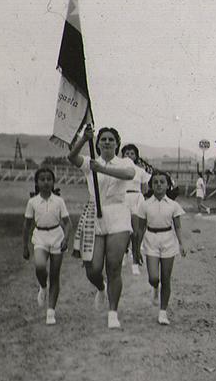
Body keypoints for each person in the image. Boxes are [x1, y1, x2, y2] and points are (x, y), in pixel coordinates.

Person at [67, 125, 135, 329]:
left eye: (110, 139)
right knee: (93, 268)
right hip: (94, 216)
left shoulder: (124, 161)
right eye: (102, 139)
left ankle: (113, 312)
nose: (106, 142)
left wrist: (102, 169)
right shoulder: (89, 163)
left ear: (117, 143)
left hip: (118, 215)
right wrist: (83, 139)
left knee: (113, 266)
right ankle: (101, 287)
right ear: (97, 143)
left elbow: (129, 174)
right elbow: (72, 157)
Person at [22, 168, 72, 325]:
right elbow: (27, 225)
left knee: (55, 275)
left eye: (49, 179)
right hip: (40, 237)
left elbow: (68, 223)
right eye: (42, 179)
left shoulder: (59, 201)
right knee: (40, 267)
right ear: (37, 182)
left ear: (53, 182)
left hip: (57, 237)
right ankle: (43, 287)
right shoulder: (33, 202)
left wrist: (66, 239)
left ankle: (51, 311)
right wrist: (25, 246)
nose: (46, 182)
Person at [136, 171, 187, 325]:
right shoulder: (144, 204)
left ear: (168, 185)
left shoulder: (173, 205)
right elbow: (140, 228)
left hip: (168, 241)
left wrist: (181, 243)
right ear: (151, 185)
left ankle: (163, 312)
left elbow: (177, 226)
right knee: (154, 277)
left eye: (162, 182)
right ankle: (155, 287)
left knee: (166, 278)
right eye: (155, 182)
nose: (159, 185)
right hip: (151, 239)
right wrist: (136, 248)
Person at [121, 144, 152, 276]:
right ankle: (124, 253)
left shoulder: (140, 171)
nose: (129, 156)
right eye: (126, 153)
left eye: (132, 153)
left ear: (136, 156)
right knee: (124, 230)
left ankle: (135, 261)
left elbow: (145, 189)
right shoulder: (119, 169)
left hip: (137, 199)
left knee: (136, 232)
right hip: (123, 199)